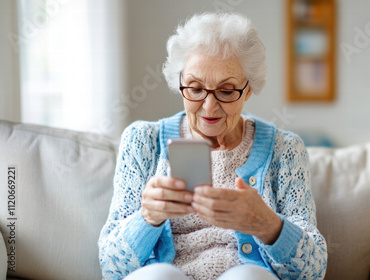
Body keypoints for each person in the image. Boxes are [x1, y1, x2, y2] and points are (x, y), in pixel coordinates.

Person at [98, 12, 327, 280]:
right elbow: (111, 267)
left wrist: (268, 225)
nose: (209, 106)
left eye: (227, 91)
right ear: (180, 81)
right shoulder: (143, 141)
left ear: (248, 89)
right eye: (195, 89)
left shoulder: (285, 149)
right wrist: (146, 218)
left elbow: (312, 271)